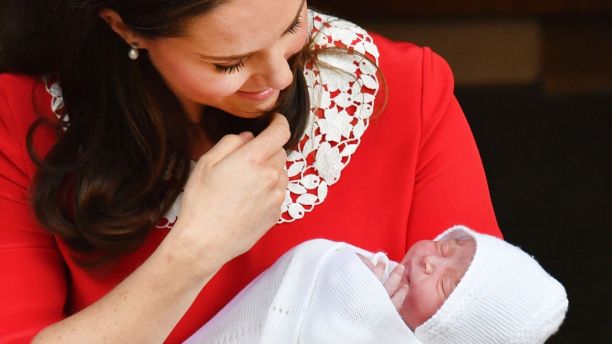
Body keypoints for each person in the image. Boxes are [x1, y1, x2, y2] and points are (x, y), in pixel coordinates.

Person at [0, 1, 500, 342]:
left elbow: (488, 323)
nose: (283, 76)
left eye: (293, 24)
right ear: (125, 27)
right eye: (229, 63)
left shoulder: (403, 90)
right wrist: (196, 250)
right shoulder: (25, 117)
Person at [184, 225, 568, 344]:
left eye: (446, 286)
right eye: (447, 246)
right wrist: (347, 286)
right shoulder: (367, 269)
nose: (431, 260)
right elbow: (306, 267)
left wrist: (361, 315)